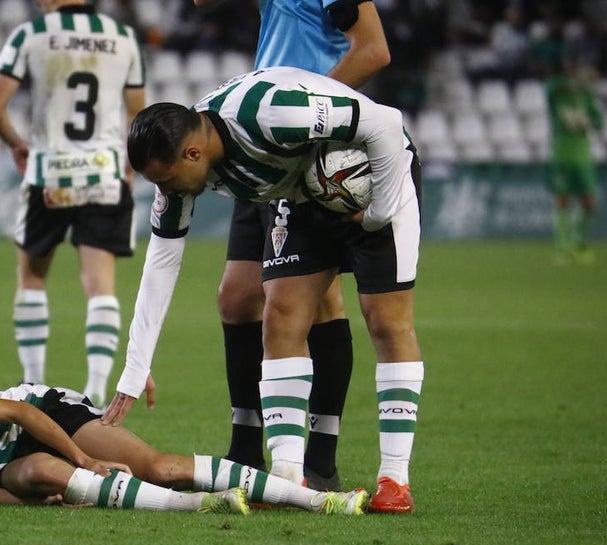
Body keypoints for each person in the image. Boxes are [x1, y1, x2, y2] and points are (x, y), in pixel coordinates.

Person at [104, 66, 423, 514]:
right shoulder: (181, 156)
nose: (165, 191)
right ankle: (287, 478)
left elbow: (386, 123)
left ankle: (394, 478)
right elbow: (161, 261)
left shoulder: (271, 113)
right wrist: (136, 368)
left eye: (166, 179)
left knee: (387, 322)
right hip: (299, 196)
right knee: (281, 316)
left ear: (193, 153)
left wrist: (377, 213)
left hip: (377, 176)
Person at [192, 0, 392, 492]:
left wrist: (310, 118)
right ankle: (245, 449)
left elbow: (373, 50)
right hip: (261, 144)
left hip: (306, 145)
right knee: (237, 298)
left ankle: (320, 459)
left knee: (316, 302)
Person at [0, 372, 370, 515]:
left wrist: (85, 459)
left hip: (42, 414)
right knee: (45, 478)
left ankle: (320, 500)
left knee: (158, 467)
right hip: (9, 467)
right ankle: (202, 505)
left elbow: (18, 412)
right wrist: (52, 496)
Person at [0, 0, 147, 407]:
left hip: (49, 173)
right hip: (104, 173)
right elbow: (137, 113)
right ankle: (96, 391)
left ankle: (32, 384)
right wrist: (129, 162)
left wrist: (17, 144)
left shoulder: (31, 34)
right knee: (100, 287)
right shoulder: (122, 37)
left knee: (32, 279)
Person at [545, 60, 603, 266]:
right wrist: (573, 82)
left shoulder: (586, 97)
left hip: (582, 156)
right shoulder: (556, 94)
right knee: (562, 199)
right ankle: (563, 247)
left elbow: (599, 123)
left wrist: (586, 121)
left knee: (589, 203)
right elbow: (550, 86)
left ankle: (577, 242)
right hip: (561, 155)